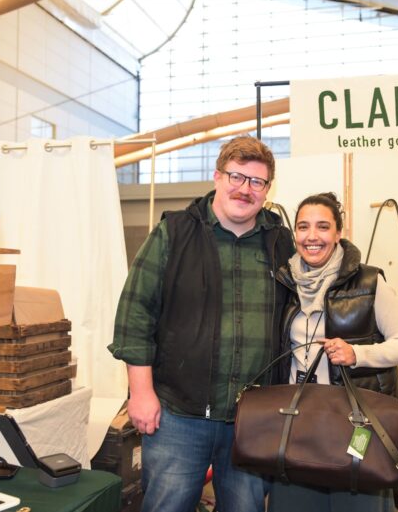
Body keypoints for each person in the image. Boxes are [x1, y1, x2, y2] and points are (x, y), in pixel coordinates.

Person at [108, 135, 294, 512]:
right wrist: (140, 393)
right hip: (179, 414)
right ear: (217, 177)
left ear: (267, 189)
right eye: (236, 177)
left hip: (254, 419)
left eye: (256, 182)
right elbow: (135, 315)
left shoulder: (280, 244)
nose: (245, 189)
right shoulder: (174, 234)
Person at [269, 192, 398, 512]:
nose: (312, 236)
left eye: (323, 227)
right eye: (303, 227)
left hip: (356, 423)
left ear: (339, 233)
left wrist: (358, 354)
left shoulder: (369, 282)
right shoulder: (285, 282)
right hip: (299, 423)